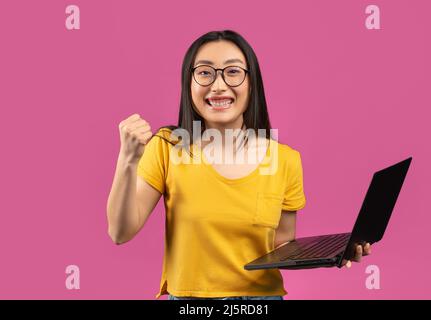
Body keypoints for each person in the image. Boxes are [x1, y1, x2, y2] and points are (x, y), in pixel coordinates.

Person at [106, 30, 371, 300]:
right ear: (189, 84)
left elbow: (282, 245)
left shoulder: (285, 160)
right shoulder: (167, 147)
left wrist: (336, 251)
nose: (218, 85)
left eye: (232, 72)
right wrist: (127, 159)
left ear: (252, 83)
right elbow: (120, 231)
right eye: (205, 72)